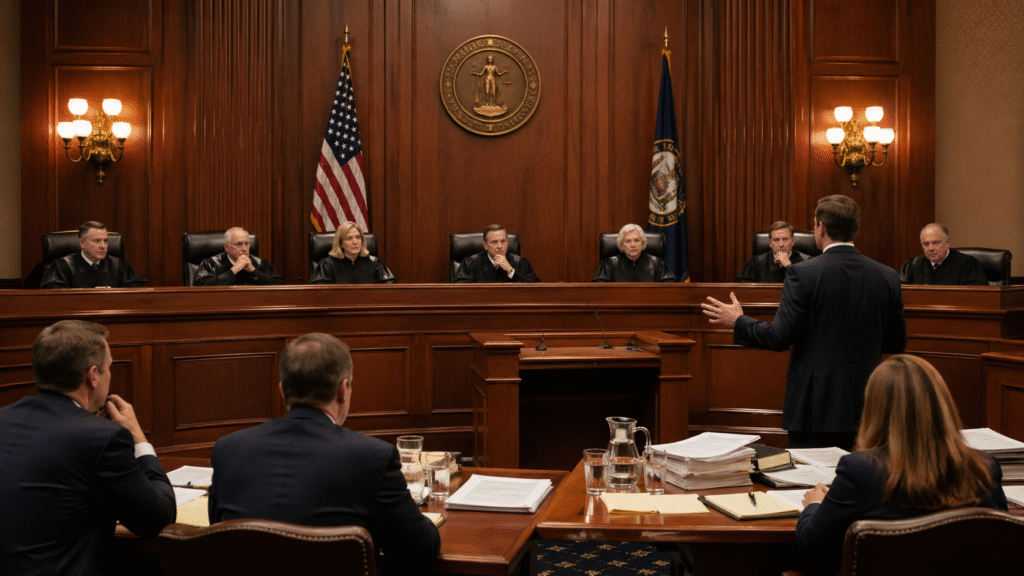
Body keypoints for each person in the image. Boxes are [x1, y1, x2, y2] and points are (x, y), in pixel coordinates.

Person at [208, 333, 440, 574]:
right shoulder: (372, 457)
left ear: (281, 390)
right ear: (342, 390)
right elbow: (419, 551)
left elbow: (219, 531)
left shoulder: (228, 449)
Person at [702, 194, 907, 450]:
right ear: (855, 228)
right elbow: (897, 342)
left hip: (815, 408)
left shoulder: (803, 273)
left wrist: (738, 320)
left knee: (812, 484)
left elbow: (778, 337)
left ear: (820, 228)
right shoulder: (887, 276)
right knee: (862, 482)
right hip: (871, 405)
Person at [796, 355, 1008, 576]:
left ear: (875, 409)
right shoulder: (984, 467)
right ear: (942, 405)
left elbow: (812, 544)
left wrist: (814, 504)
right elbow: (1003, 545)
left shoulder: (859, 471)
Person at [0, 320, 176, 575]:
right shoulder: (101, 438)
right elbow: (157, 519)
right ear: (93, 376)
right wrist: (137, 436)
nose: (109, 374)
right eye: (109, 368)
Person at [40, 221, 146, 288]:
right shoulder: (63, 265)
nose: (103, 245)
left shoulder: (119, 265)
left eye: (105, 241)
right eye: (97, 241)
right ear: (82, 243)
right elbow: (52, 293)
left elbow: (136, 289)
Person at [899, 223, 988, 286]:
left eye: (936, 243)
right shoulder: (912, 265)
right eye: (926, 244)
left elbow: (977, 296)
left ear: (947, 242)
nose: (930, 248)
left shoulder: (968, 264)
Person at [193, 227, 284, 286]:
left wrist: (254, 271)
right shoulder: (210, 263)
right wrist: (234, 270)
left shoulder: (261, 263)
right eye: (239, 244)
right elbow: (200, 288)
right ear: (227, 247)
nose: (244, 248)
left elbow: (279, 287)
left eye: (247, 244)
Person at [310, 222, 395, 284]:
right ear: (341, 243)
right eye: (349, 238)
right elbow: (319, 293)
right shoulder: (326, 265)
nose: (355, 242)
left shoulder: (375, 263)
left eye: (358, 237)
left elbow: (389, 287)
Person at [453, 224, 540, 283]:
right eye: (494, 242)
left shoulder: (520, 263)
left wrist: (511, 271)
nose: (499, 246)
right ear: (485, 245)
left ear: (507, 243)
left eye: (503, 241)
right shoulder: (470, 263)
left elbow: (535, 289)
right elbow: (461, 290)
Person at [592, 223, 676, 282]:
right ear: (622, 246)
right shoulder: (609, 264)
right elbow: (599, 289)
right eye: (628, 241)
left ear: (642, 243)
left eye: (637, 240)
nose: (633, 245)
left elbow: (670, 287)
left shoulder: (657, 263)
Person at [735, 221, 813, 283]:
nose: (781, 244)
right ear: (770, 243)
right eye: (776, 240)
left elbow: (810, 287)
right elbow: (742, 286)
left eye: (785, 239)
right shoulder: (757, 262)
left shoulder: (807, 262)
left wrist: (789, 266)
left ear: (792, 241)